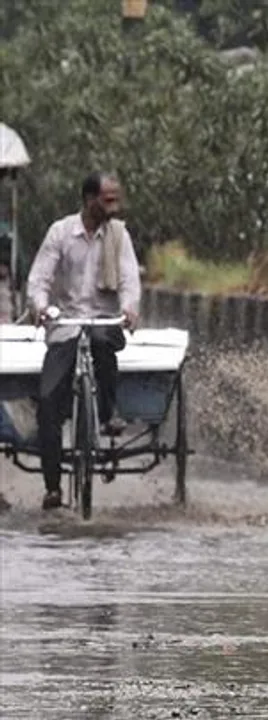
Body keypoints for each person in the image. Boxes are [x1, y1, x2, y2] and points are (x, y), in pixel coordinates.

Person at [27, 172, 141, 510]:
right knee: (48, 401)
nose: (114, 206)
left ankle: (107, 412)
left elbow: (129, 279)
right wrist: (41, 307)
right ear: (89, 199)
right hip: (66, 324)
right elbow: (39, 279)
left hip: (103, 321)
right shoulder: (60, 232)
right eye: (108, 200)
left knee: (106, 344)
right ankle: (52, 487)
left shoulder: (119, 236)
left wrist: (129, 309)